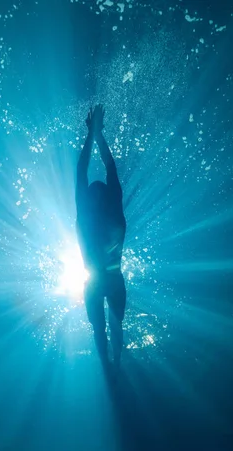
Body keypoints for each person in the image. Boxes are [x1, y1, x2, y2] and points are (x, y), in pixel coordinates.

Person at [76, 104, 127, 366]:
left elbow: (84, 171)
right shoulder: (112, 208)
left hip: (96, 280)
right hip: (108, 279)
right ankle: (113, 362)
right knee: (110, 326)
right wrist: (96, 135)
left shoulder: (86, 213)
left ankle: (112, 363)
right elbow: (109, 168)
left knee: (104, 329)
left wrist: (92, 135)